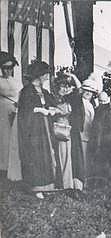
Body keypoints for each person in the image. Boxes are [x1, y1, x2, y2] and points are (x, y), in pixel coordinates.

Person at [18, 60, 59, 199]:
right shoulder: (27, 91)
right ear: (39, 75)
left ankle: (46, 185)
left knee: (47, 154)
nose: (47, 77)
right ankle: (35, 187)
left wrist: (52, 110)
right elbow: (25, 110)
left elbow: (52, 105)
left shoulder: (45, 92)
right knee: (36, 155)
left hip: (45, 127)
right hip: (34, 128)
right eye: (45, 74)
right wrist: (39, 110)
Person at [67, 75, 99, 190]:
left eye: (90, 91)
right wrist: (75, 79)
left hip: (88, 134)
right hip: (79, 133)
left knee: (87, 159)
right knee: (79, 159)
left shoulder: (92, 105)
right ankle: (78, 185)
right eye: (86, 90)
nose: (88, 93)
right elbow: (77, 93)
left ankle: (85, 183)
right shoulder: (78, 101)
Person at [52, 72, 81, 189]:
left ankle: (66, 183)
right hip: (56, 128)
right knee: (58, 155)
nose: (66, 88)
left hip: (66, 129)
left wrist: (74, 77)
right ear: (58, 86)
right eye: (63, 86)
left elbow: (80, 91)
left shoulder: (69, 98)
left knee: (66, 154)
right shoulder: (53, 98)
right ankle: (58, 182)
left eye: (68, 86)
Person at [0, 51, 23, 181]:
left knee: (13, 139)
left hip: (15, 111)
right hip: (2, 112)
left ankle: (12, 168)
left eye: (10, 68)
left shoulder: (15, 81)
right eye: (5, 68)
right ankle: (3, 168)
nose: (8, 71)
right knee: (4, 138)